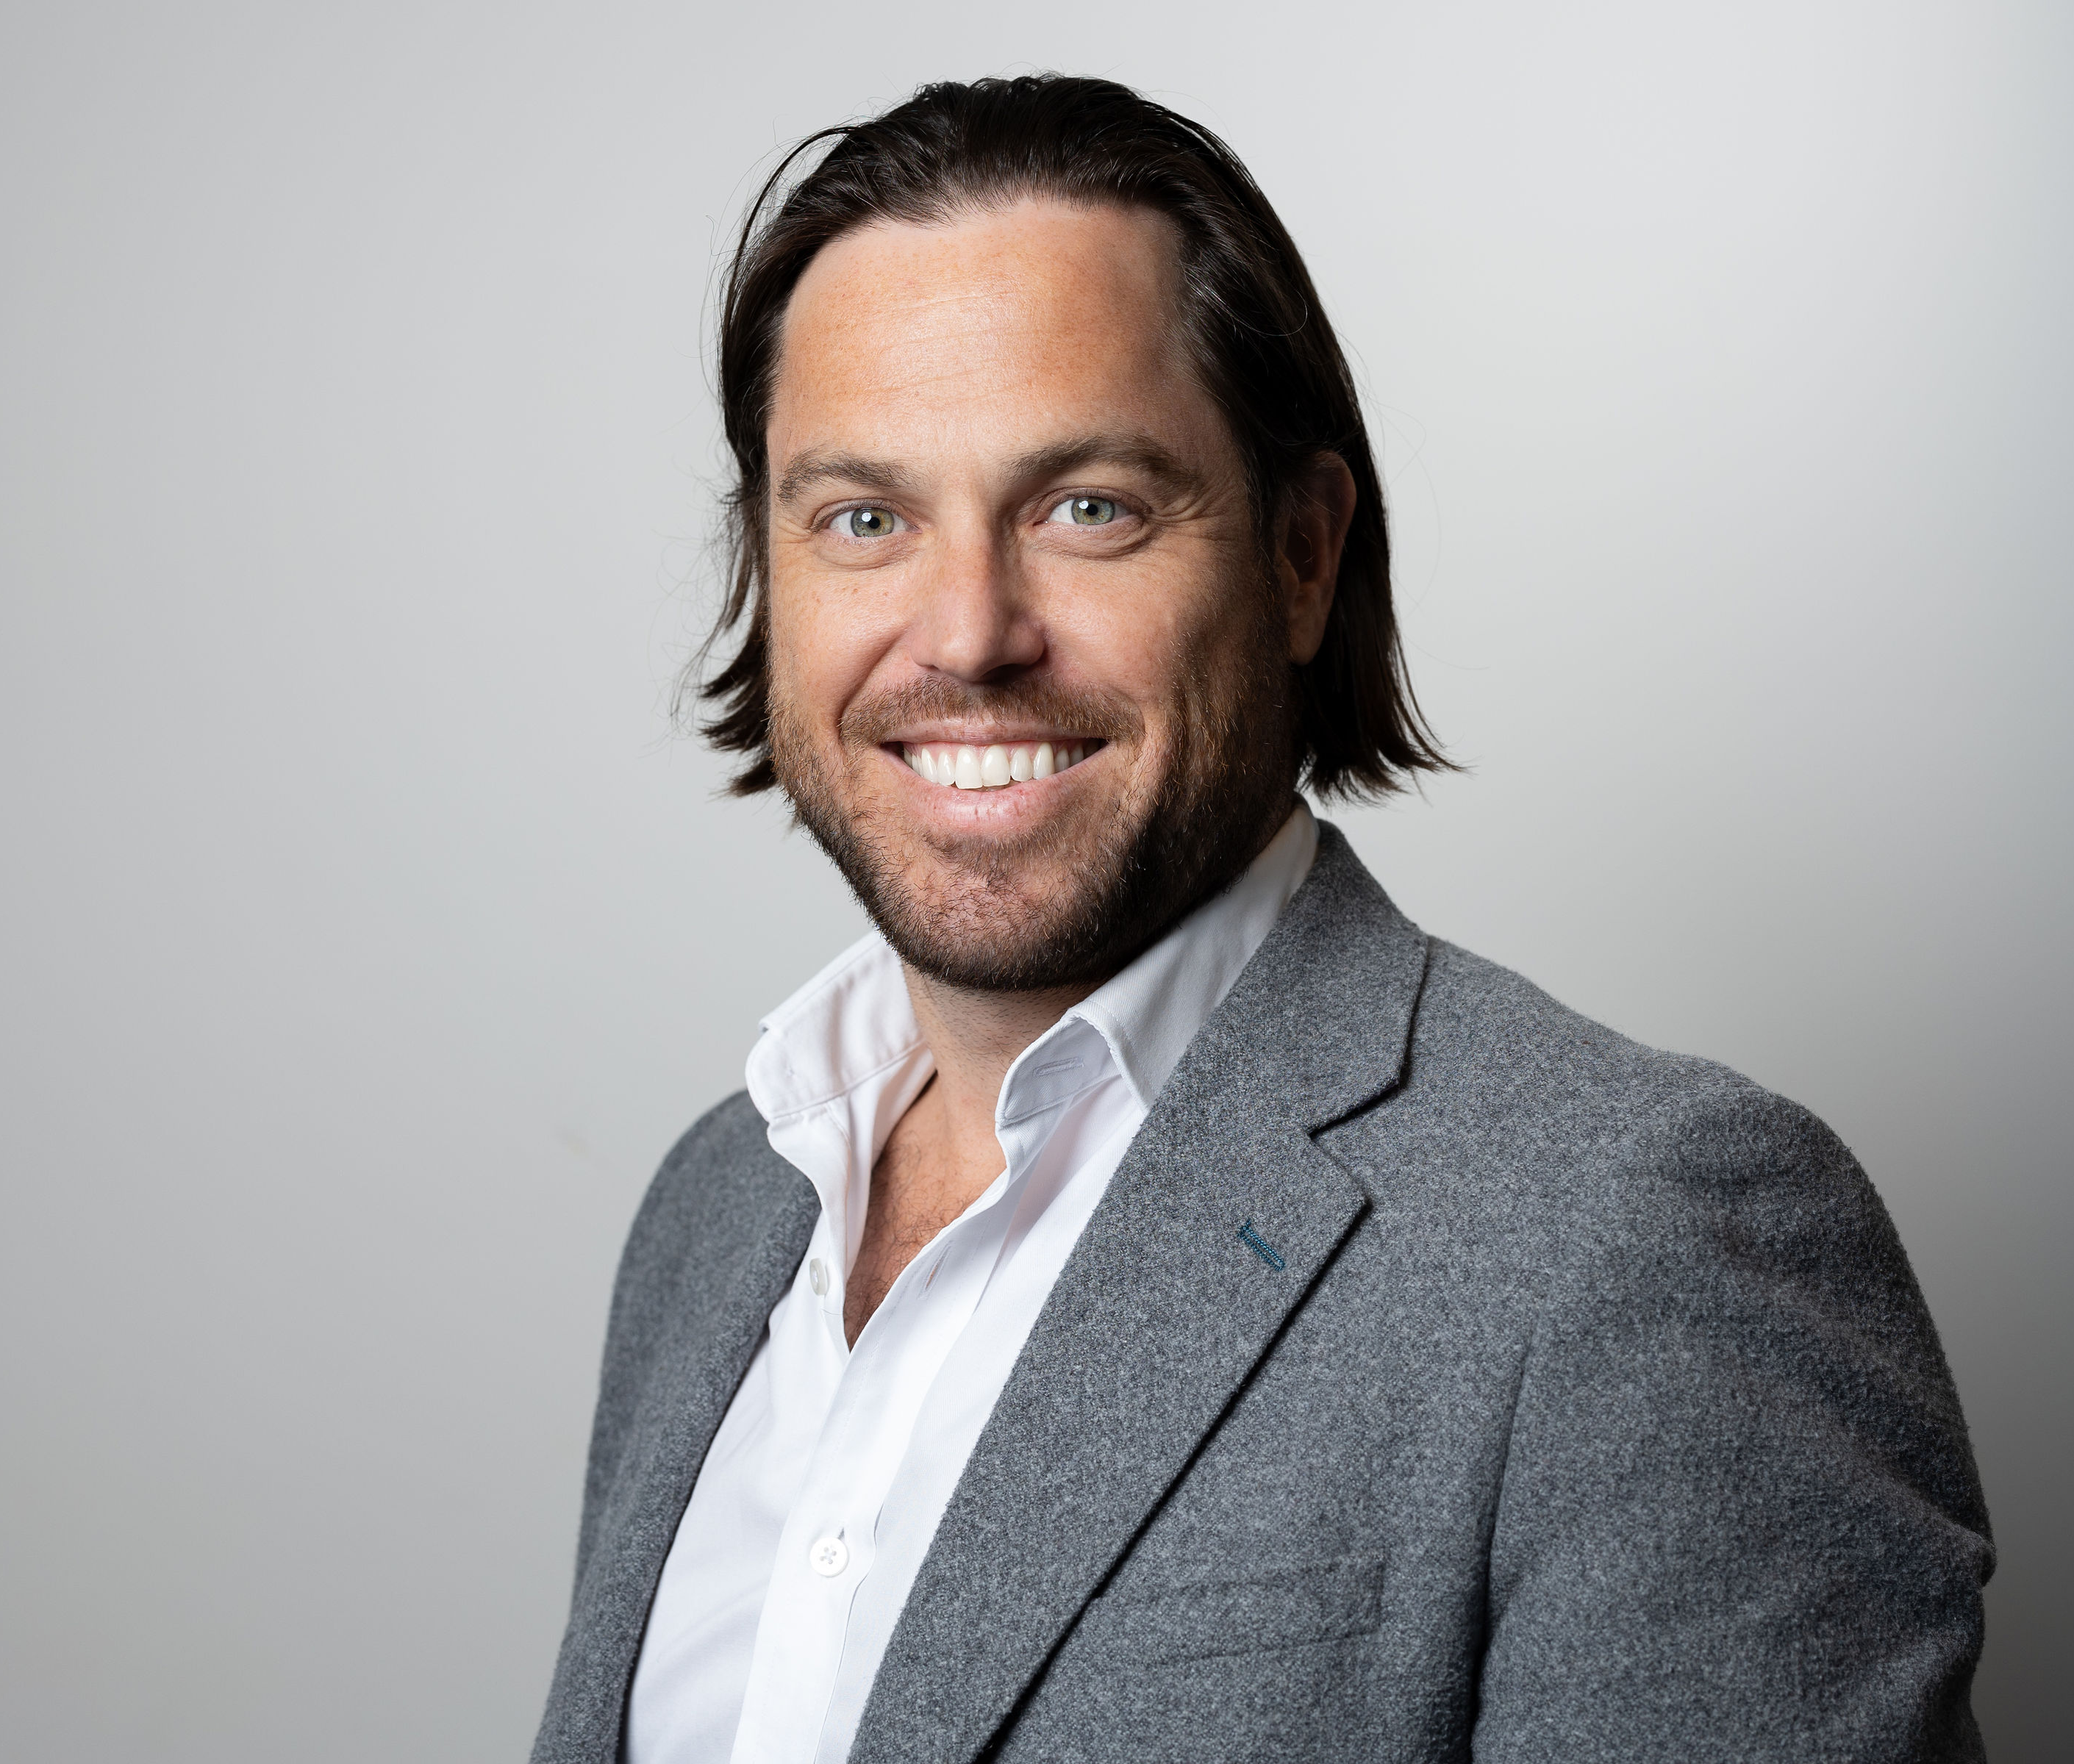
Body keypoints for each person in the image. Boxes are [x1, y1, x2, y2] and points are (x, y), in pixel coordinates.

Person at [532, 74, 1992, 1764]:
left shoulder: (1637, 1242)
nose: (970, 632)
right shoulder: (719, 1209)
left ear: (1302, 558)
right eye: (865, 519)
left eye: (1087, 507)